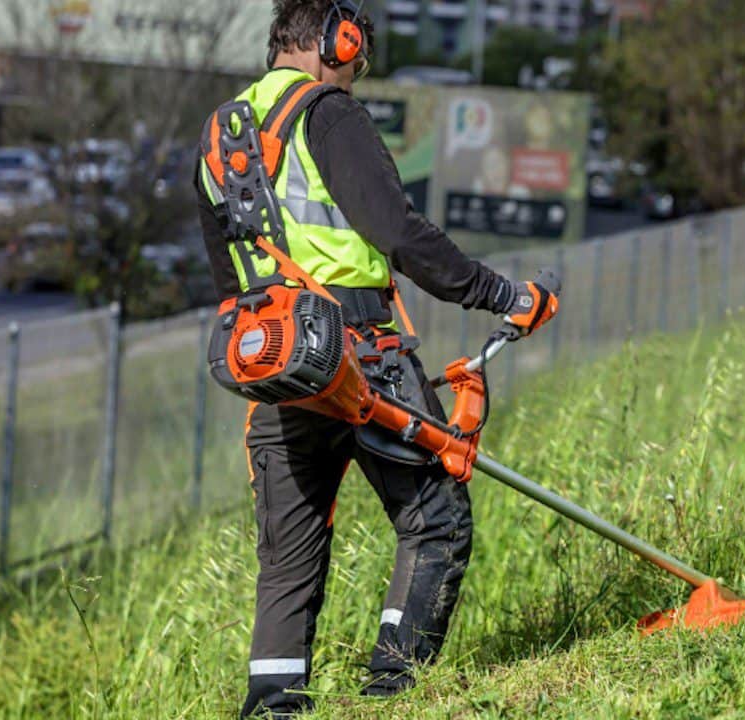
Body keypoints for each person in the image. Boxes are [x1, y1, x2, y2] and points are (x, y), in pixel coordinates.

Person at [192, 1, 558, 716]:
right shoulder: (328, 112)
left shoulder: (219, 133)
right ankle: (390, 695)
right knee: (436, 519)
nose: (358, 72)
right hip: (361, 357)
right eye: (358, 57)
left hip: (277, 364)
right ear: (339, 39)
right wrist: (501, 294)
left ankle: (272, 710)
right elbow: (397, 230)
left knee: (289, 563)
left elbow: (228, 284)